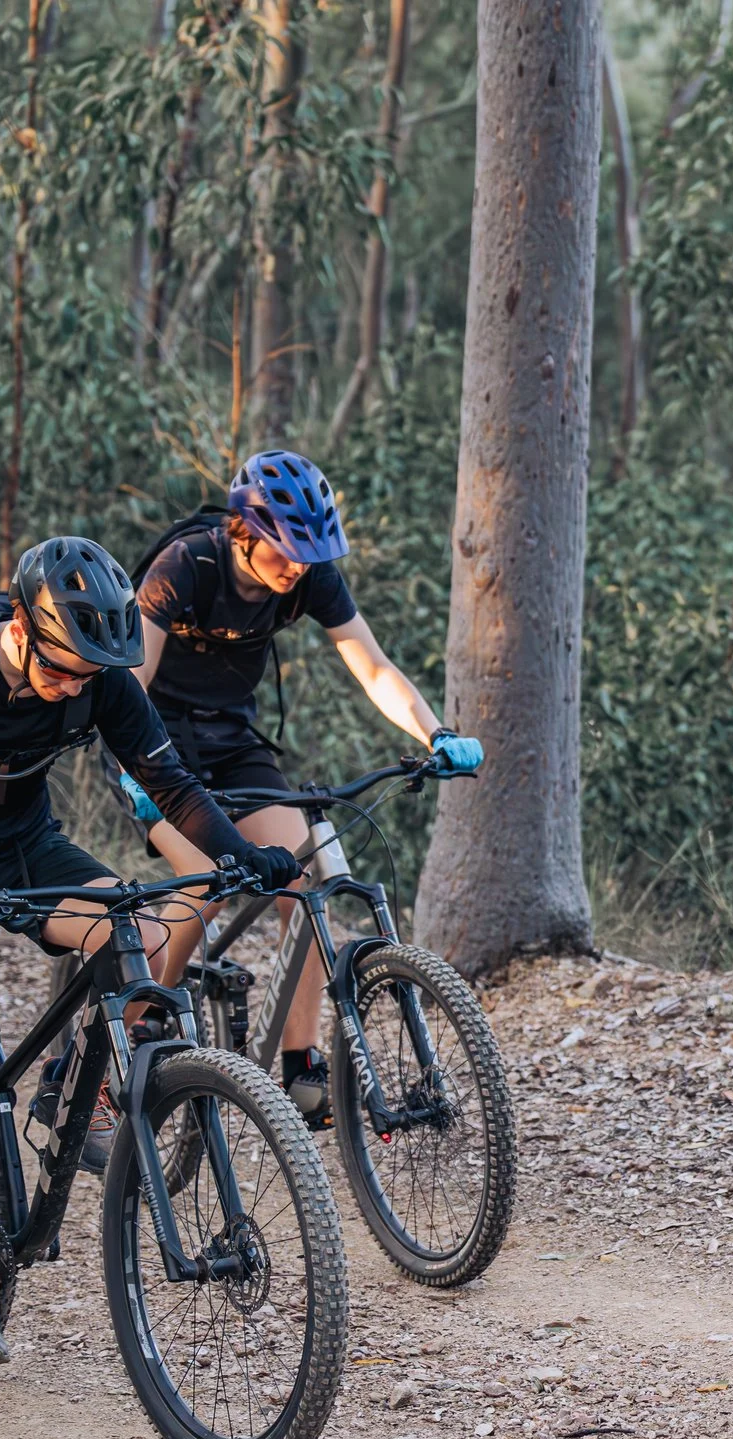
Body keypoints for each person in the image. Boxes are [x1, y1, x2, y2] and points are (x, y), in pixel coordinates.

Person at [0, 537, 302, 1373]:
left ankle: (78, 1084)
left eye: (90, 675)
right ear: (23, 628)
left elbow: (171, 783)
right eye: (63, 670)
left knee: (138, 928)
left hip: (26, 848)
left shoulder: (96, 678)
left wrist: (242, 852)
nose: (76, 687)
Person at [121, 450, 479, 1120]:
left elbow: (371, 664)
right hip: (155, 747)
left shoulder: (309, 574)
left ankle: (300, 1064)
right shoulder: (186, 566)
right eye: (286, 553)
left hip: (233, 742)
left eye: (309, 555)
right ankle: (138, 1027)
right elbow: (128, 685)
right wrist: (133, 770)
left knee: (305, 871)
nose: (298, 569)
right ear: (242, 532)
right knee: (201, 877)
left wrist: (434, 733)